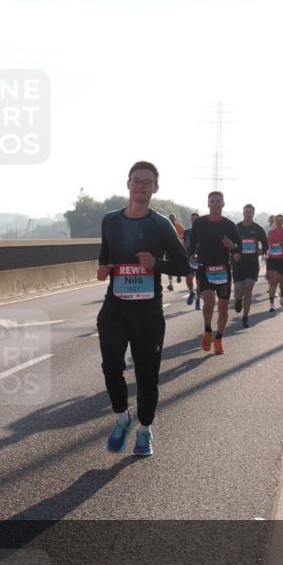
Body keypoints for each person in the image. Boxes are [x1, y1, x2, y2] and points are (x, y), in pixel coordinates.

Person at [96, 161, 191, 458]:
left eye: (146, 182)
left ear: (155, 188)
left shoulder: (160, 224)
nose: (140, 186)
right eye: (136, 181)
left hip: (147, 312)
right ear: (128, 184)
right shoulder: (110, 220)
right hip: (115, 307)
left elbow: (184, 265)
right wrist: (103, 269)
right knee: (111, 367)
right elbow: (105, 256)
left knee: (147, 376)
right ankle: (122, 418)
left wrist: (156, 263)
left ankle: (144, 430)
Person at [189, 192, 242, 354]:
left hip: (223, 270)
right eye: (212, 201)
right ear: (208, 204)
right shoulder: (199, 223)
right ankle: (207, 330)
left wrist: (232, 246)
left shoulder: (229, 225)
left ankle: (219, 338)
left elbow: (239, 246)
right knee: (209, 302)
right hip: (204, 268)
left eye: (218, 201)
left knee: (223, 309)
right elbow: (192, 242)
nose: (215, 204)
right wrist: (191, 254)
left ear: (223, 203)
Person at [232, 203, 268, 328]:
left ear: (253, 214)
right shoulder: (236, 228)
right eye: (246, 212)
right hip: (238, 264)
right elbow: (230, 245)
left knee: (248, 289)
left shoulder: (258, 229)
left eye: (250, 212)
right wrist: (234, 253)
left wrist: (261, 251)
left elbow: (266, 245)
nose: (248, 214)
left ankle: (245, 317)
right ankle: (238, 300)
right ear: (243, 213)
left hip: (252, 264)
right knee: (238, 290)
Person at [184, 211, 201, 309]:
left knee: (199, 283)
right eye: (192, 219)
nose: (194, 221)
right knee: (188, 278)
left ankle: (198, 300)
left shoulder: (203, 231)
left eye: (196, 219)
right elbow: (184, 245)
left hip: (200, 259)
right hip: (189, 258)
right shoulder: (186, 232)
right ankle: (191, 292)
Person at [166, 213, 185, 291]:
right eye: (170, 218)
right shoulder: (165, 226)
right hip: (168, 249)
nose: (171, 219)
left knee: (177, 263)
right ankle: (170, 283)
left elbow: (184, 236)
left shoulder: (179, 226)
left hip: (177, 248)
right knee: (169, 266)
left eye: (173, 218)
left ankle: (178, 275)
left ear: (175, 219)